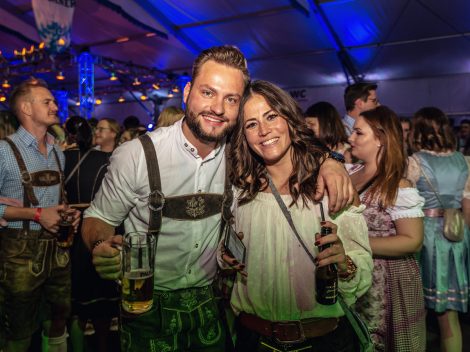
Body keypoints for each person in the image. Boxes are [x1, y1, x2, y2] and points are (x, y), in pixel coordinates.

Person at [82, 45, 354, 351]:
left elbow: (289, 145)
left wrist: (332, 160)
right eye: (208, 92)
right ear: (187, 92)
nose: (218, 108)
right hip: (146, 308)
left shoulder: (241, 156)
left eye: (231, 99)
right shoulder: (137, 155)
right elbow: (98, 219)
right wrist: (100, 245)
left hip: (210, 305)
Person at [223, 80, 373, 352]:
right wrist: (224, 258)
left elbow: (362, 265)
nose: (264, 130)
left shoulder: (331, 185)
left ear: (290, 119)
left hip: (322, 341)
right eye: (251, 124)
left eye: (271, 116)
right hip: (253, 340)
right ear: (243, 135)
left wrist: (344, 264)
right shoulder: (239, 191)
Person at [0, 78, 80, 352]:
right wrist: (36, 214)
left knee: (58, 321)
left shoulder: (58, 151)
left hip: (58, 250)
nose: (55, 105)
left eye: (54, 101)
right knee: (19, 330)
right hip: (19, 252)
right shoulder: (3, 151)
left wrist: (67, 213)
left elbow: (55, 201)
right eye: (46, 101)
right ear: (25, 107)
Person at [348, 106, 426, 351]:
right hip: (354, 274)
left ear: (380, 139)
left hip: (387, 281)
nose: (351, 138)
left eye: (359, 133)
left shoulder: (397, 185)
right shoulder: (350, 173)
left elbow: (412, 241)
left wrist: (354, 243)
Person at [407, 107, 470, 352]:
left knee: (416, 312)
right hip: (455, 235)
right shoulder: (462, 160)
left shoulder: (414, 162)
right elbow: (468, 209)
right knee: (449, 315)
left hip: (424, 235)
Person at [62, 116, 117, 352]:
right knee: (103, 302)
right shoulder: (105, 160)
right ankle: (104, 347)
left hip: (69, 230)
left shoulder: (58, 158)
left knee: (77, 305)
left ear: (67, 135)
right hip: (99, 228)